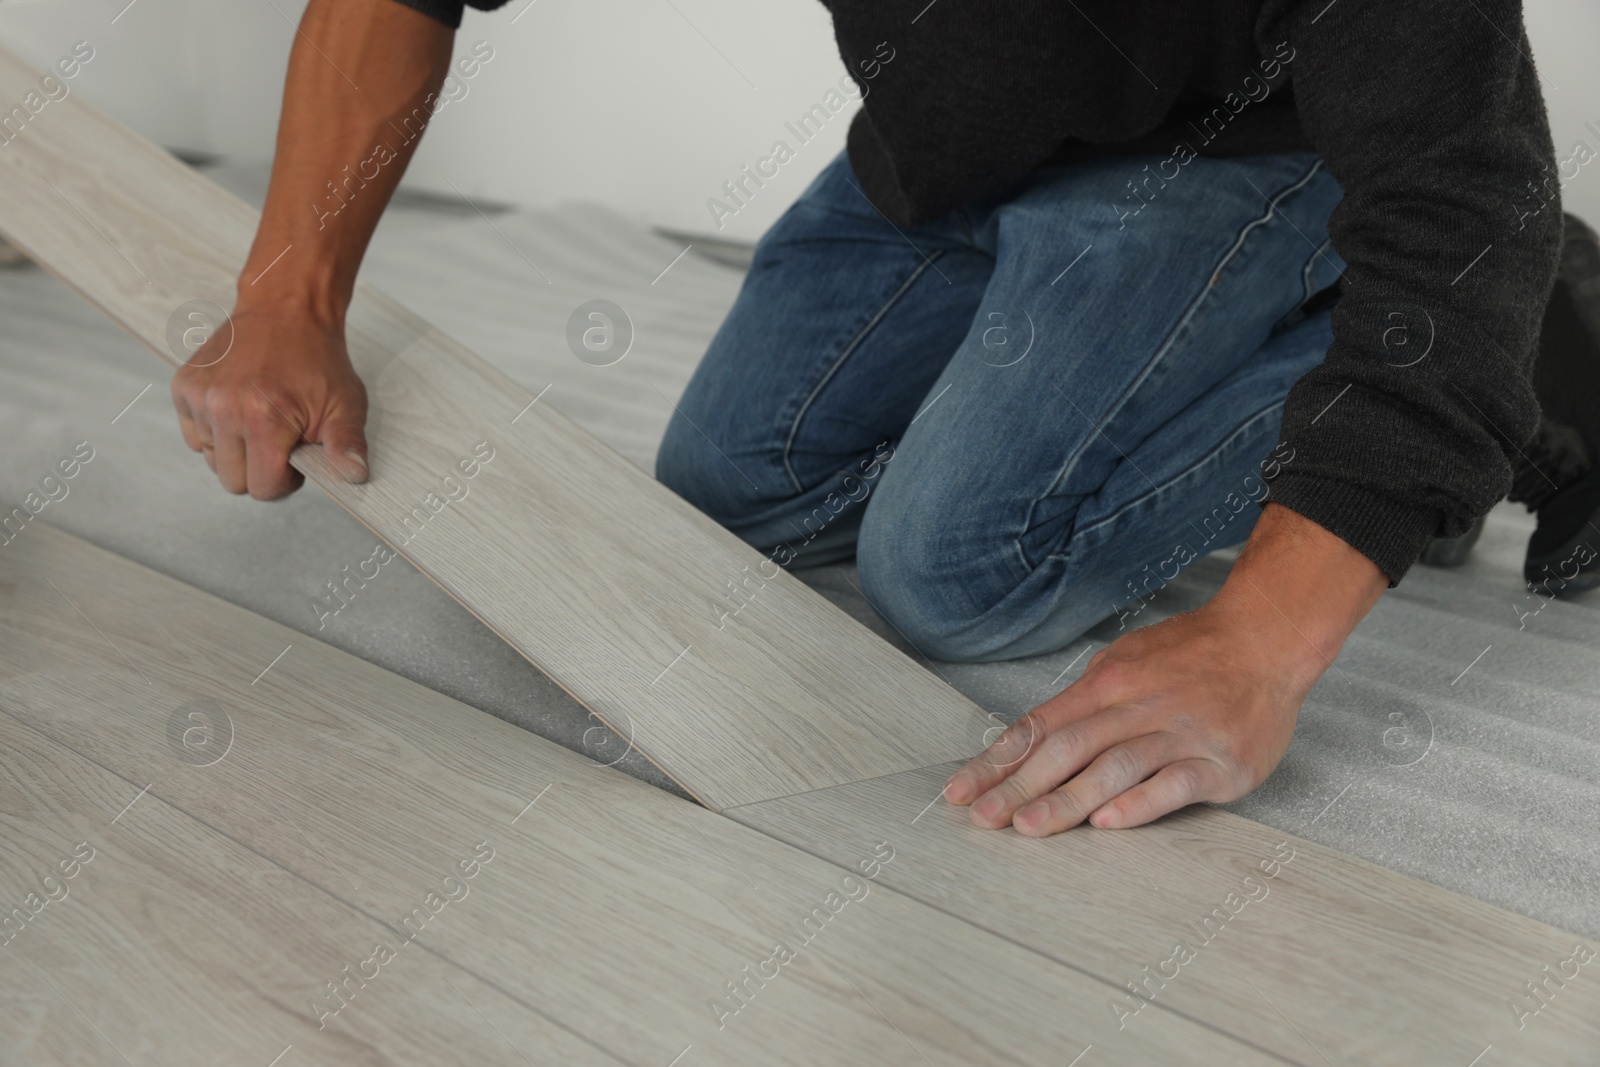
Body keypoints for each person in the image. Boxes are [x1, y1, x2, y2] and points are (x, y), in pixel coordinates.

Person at [171, 0, 1574, 837]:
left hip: (1248, 150)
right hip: (963, 142)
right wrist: (289, 291)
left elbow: (1465, 193)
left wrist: (1265, 641)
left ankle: (1540, 327)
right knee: (731, 492)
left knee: (955, 574)